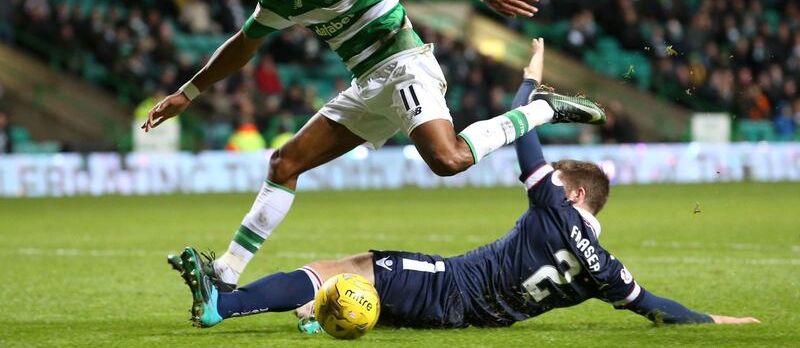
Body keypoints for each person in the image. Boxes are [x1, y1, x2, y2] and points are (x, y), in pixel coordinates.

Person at [145, 0, 605, 290]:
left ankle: (541, 108)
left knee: (447, 161)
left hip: (406, 65)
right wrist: (190, 92)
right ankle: (226, 272)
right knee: (284, 164)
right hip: (366, 84)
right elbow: (243, 45)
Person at [172, 40, 759, 329]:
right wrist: (718, 321)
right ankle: (312, 312)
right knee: (351, 288)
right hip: (467, 316)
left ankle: (225, 305)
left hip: (451, 284)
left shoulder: (557, 212)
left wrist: (530, 85)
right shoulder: (605, 269)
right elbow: (655, 308)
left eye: (558, 181)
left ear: (575, 194)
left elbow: (520, 134)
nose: (549, 182)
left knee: (346, 265)